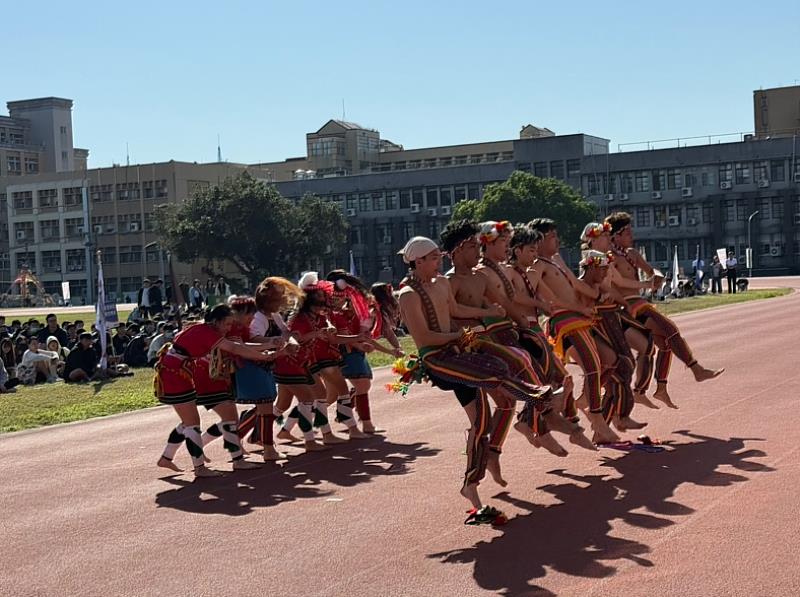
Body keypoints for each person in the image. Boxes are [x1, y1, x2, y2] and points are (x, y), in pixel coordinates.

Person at [396, 236, 552, 524]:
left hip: (458, 353)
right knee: (492, 368)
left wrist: (486, 312)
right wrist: (460, 336)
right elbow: (425, 339)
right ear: (417, 262)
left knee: (481, 422)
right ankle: (532, 394)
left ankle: (471, 487)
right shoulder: (407, 294)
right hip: (438, 360)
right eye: (433, 258)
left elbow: (456, 311)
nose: (438, 261)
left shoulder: (441, 284)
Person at [605, 211, 724, 408]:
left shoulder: (632, 254)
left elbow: (651, 270)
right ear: (616, 235)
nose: (631, 236)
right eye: (627, 233)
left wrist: (657, 276)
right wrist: (646, 284)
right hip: (629, 307)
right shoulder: (610, 257)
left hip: (640, 303)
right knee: (670, 329)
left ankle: (659, 388)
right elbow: (617, 282)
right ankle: (696, 370)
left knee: (666, 344)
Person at [528, 218, 620, 445]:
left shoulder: (552, 263)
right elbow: (544, 296)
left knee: (609, 360)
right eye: (552, 237)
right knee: (592, 366)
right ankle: (597, 421)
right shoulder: (538, 265)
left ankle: (581, 403)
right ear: (537, 242)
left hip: (578, 318)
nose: (557, 241)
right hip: (565, 320)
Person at [154, 304, 274, 477]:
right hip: (175, 374)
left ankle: (168, 457)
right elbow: (235, 348)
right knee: (192, 423)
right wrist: (266, 355)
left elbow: (236, 347)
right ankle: (201, 468)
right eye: (226, 324)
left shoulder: (205, 330)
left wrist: (267, 349)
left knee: (195, 420)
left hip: (179, 372)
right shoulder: (206, 332)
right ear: (216, 321)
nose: (228, 327)